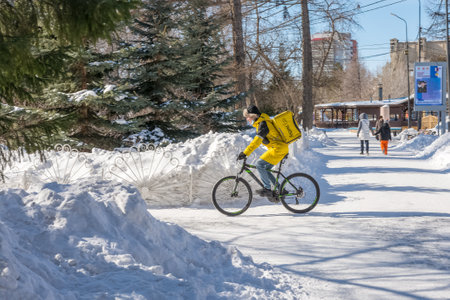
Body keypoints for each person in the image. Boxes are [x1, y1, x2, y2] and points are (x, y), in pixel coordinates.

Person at [237, 105, 289, 200]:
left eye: (247, 117)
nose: (247, 119)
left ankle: (267, 189)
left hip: (278, 149)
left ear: (253, 116)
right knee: (266, 169)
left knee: (259, 164)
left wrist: (245, 153)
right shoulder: (261, 123)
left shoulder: (263, 124)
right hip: (279, 148)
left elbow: (256, 142)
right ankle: (280, 189)